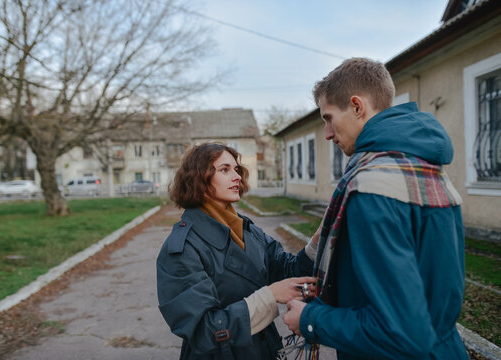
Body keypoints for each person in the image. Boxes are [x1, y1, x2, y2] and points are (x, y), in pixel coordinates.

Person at [283, 58, 468, 359]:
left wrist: (309, 320)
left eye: (329, 117)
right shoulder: (423, 167)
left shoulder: (372, 186)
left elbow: (400, 330)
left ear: (357, 107)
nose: (327, 133)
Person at [156, 142, 320, 359]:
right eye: (224, 170)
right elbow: (203, 330)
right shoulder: (182, 248)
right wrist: (269, 297)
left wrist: (319, 240)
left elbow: (288, 270)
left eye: (236, 169)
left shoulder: (245, 228)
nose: (237, 177)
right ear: (199, 178)